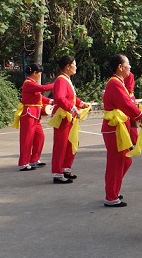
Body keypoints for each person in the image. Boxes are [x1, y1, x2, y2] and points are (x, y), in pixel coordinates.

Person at [101, 54, 142, 207]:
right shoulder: (115, 83)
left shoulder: (118, 82)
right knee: (116, 162)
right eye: (128, 64)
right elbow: (126, 103)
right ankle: (111, 196)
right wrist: (140, 115)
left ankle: (113, 190)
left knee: (125, 160)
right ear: (120, 67)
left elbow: (127, 103)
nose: (130, 67)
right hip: (114, 128)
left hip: (119, 127)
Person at [50, 55, 89, 184]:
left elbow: (70, 97)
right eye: (74, 64)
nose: (76, 67)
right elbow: (60, 98)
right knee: (61, 145)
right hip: (63, 117)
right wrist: (73, 108)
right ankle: (57, 173)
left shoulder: (66, 79)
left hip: (68, 117)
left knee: (71, 142)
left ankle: (65, 168)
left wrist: (81, 103)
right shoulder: (61, 80)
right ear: (68, 66)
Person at [16, 63, 54, 171]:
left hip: (35, 115)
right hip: (29, 114)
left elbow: (39, 97)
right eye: (39, 73)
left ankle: (34, 159)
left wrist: (51, 101)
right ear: (34, 73)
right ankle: (24, 163)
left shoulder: (32, 84)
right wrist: (57, 83)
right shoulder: (28, 83)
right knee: (27, 139)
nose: (40, 75)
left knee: (40, 137)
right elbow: (43, 88)